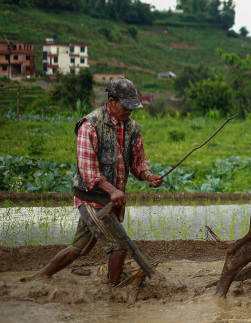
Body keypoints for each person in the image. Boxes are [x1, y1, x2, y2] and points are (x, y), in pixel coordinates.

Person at [31, 77, 163, 284]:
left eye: (132, 106)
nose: (129, 111)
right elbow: (88, 170)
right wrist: (112, 190)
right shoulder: (90, 125)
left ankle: (38, 278)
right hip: (91, 199)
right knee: (118, 246)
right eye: (125, 106)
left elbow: (138, 163)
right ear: (111, 101)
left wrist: (149, 176)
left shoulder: (133, 129)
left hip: (113, 200)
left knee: (79, 247)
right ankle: (114, 291)